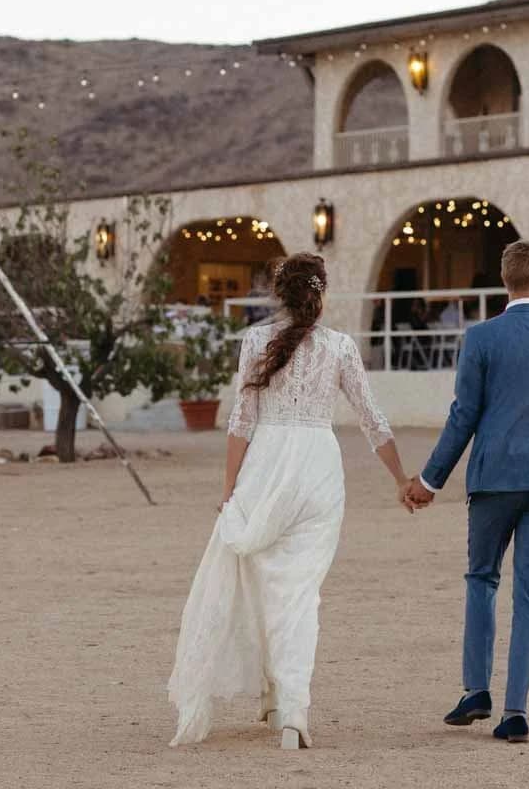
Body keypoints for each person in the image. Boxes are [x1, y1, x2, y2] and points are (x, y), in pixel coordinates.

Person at [169, 254, 411, 750]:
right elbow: (373, 420)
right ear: (320, 295)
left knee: (264, 587)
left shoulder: (255, 340)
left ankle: (279, 698)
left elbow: (241, 421)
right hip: (318, 470)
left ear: (279, 293)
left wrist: (229, 490)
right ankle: (290, 711)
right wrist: (400, 479)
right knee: (299, 594)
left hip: (267, 467)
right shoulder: (340, 347)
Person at [404, 240, 529, 744]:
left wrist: (429, 481)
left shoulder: (480, 338)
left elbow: (463, 416)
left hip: (493, 481)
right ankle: (515, 711)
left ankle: (476, 690)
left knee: (481, 579)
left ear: (503, 279)